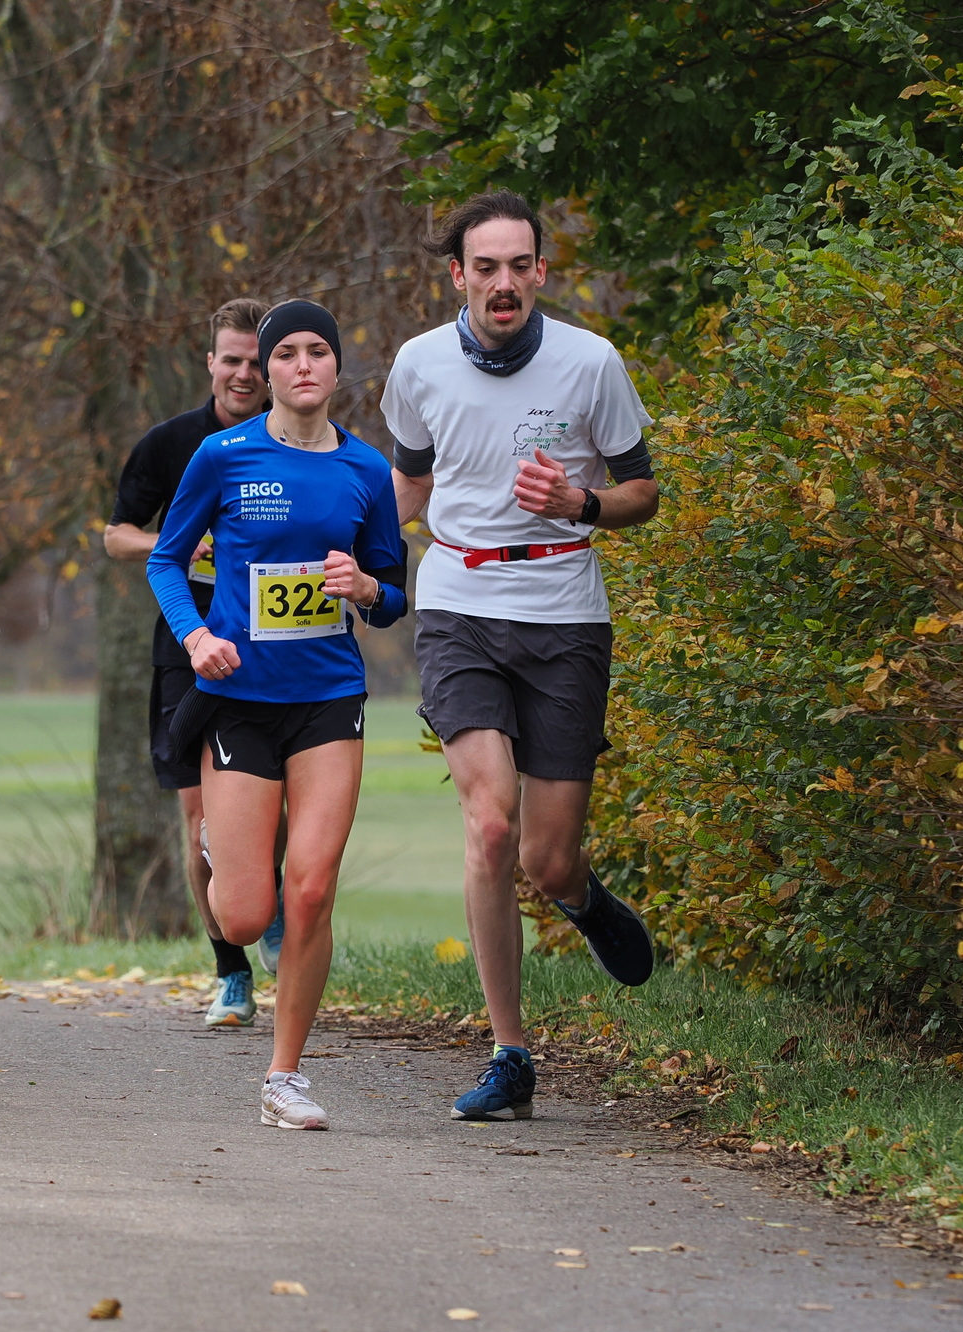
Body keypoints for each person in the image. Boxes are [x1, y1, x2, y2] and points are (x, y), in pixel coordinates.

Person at [383, 190, 663, 1123]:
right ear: (456, 275)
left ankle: (580, 896)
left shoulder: (592, 363)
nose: (502, 283)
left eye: (518, 265)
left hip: (564, 613)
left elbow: (643, 492)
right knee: (491, 826)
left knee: (545, 858)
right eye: (485, 267)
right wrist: (359, 556)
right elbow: (410, 482)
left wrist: (581, 504)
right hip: (457, 602)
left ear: (541, 271)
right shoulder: (418, 364)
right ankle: (510, 1054)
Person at [150, 298, 409, 1129]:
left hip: (329, 699)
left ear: (337, 366)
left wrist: (367, 589)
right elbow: (164, 560)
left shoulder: (366, 469)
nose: (304, 365)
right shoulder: (223, 456)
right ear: (266, 371)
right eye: (287, 353)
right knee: (243, 914)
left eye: (317, 352)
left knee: (313, 888)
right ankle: (219, 844)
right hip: (239, 703)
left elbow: (393, 593)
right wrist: (195, 638)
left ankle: (284, 1077)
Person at [104, 297, 277, 1027]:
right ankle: (230, 971)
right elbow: (116, 535)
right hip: (189, 644)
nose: (243, 374)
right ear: (210, 361)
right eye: (231, 359)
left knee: (274, 809)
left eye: (256, 362)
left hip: (275, 644)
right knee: (200, 816)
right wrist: (175, 545)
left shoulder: (301, 442)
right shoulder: (171, 443)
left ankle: (268, 903)